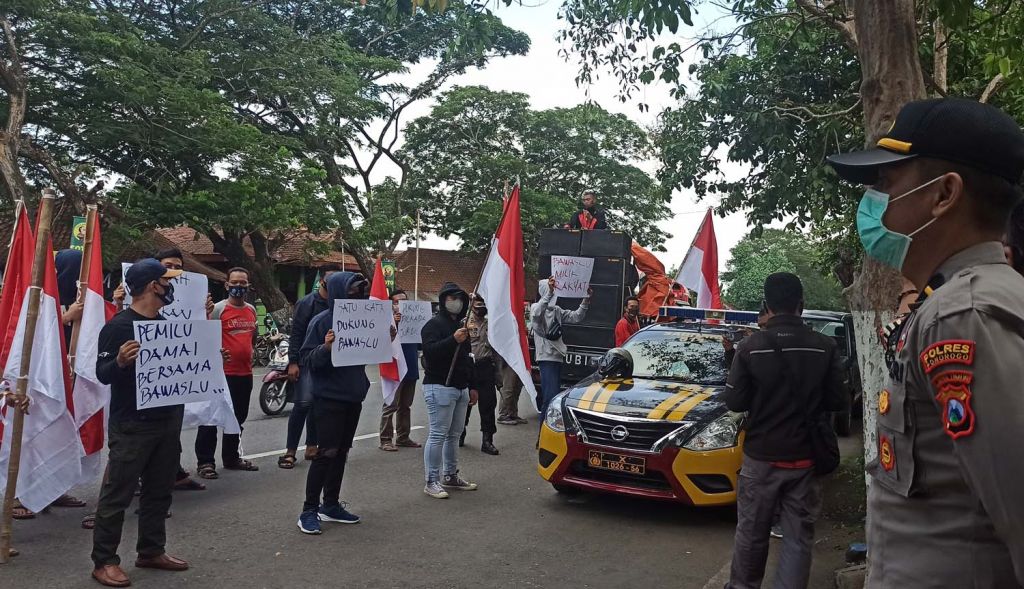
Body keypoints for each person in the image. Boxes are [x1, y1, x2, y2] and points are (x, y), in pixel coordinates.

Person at [827, 97, 1024, 587]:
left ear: (944, 195)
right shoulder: (951, 303)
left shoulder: (965, 316)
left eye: (886, 182)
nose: (873, 200)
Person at [723, 272, 844, 589]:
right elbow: (837, 401)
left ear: (766, 305)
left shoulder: (750, 347)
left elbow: (735, 402)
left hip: (761, 458)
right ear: (801, 305)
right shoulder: (825, 346)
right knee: (797, 538)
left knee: (752, 533)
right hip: (805, 460)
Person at [90, 259, 191, 587]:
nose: (170, 286)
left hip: (167, 420)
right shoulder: (118, 327)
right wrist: (120, 361)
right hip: (133, 424)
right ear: (152, 286)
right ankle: (104, 561)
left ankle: (151, 550)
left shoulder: (166, 324)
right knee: (117, 494)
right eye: (166, 281)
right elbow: (102, 374)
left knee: (159, 490)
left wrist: (207, 359)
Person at [296, 272, 373, 534]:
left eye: (361, 291)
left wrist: (386, 337)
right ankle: (309, 509)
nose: (358, 296)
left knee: (341, 452)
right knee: (326, 453)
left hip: (353, 396)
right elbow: (308, 359)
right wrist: (326, 348)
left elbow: (372, 349)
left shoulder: (365, 320)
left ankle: (330, 504)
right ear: (340, 292)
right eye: (353, 291)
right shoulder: (321, 322)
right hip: (329, 398)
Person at [195, 267, 259, 479]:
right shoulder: (217, 310)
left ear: (248, 286)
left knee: (237, 418)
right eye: (235, 282)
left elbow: (252, 337)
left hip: (245, 374)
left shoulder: (251, 310)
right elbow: (205, 337)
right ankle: (205, 462)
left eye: (243, 283)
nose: (238, 286)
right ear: (227, 285)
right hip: (220, 374)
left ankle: (232, 458)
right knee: (211, 418)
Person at [420, 282, 479, 499]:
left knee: (454, 435)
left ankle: (450, 474)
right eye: (452, 298)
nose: (457, 303)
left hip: (460, 387)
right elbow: (430, 353)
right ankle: (431, 480)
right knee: (438, 434)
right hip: (439, 386)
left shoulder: (461, 326)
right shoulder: (432, 325)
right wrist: (452, 340)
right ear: (443, 300)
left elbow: (468, 358)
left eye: (460, 299)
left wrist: (472, 385)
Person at [280, 264, 341, 468]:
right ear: (321, 280)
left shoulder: (341, 305)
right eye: (330, 279)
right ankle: (290, 451)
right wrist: (293, 362)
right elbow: (296, 334)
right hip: (306, 361)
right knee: (303, 404)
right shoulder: (307, 303)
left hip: (329, 362)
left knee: (318, 405)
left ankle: (312, 446)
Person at [530, 277, 590, 418]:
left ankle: (548, 426)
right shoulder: (536, 308)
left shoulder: (557, 310)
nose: (554, 294)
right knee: (549, 397)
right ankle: (544, 428)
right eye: (550, 290)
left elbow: (576, 317)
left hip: (558, 357)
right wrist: (549, 293)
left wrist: (585, 300)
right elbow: (537, 315)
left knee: (554, 396)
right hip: (546, 358)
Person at [379, 289, 422, 452]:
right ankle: (385, 439)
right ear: (391, 304)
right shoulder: (385, 321)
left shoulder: (413, 319)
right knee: (391, 404)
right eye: (396, 302)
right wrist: (394, 324)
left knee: (406, 405)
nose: (399, 305)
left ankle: (403, 437)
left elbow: (421, 343)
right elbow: (382, 342)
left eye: (403, 301)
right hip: (395, 367)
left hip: (410, 367)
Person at [462, 295, 499, 455]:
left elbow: (497, 349)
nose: (481, 309)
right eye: (478, 306)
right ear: (472, 305)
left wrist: (498, 375)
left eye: (484, 306)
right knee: (465, 402)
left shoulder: (491, 324)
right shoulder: (464, 322)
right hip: (468, 366)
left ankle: (487, 440)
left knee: (488, 404)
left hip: (485, 366)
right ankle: (460, 432)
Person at [495, 355, 526, 426]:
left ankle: (512, 414)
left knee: (516, 387)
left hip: (519, 358)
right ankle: (503, 414)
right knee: (508, 387)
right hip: (509, 358)